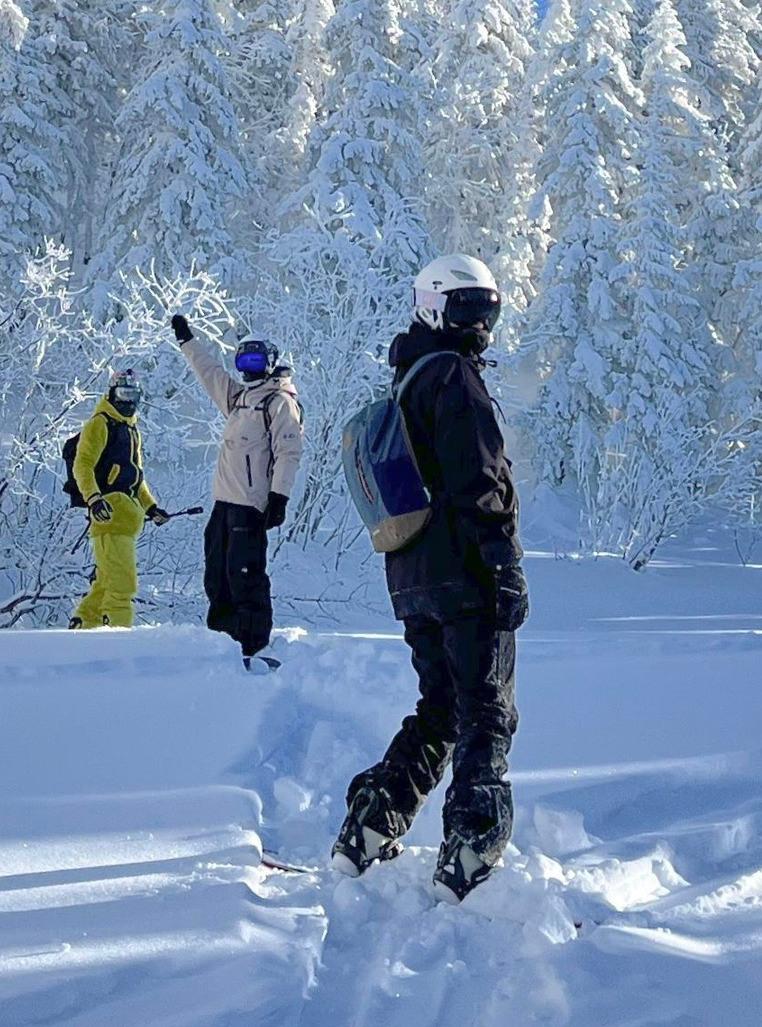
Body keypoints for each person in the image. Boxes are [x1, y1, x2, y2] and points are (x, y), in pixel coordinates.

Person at [334, 254, 527, 901]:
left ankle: (370, 823)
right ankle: (472, 843)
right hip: (466, 578)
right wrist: (504, 570)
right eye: (468, 308)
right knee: (486, 710)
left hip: (412, 578)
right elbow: (481, 486)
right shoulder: (454, 381)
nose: (481, 324)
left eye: (489, 310)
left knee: (442, 709)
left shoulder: (412, 377)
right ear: (433, 307)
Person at [170, 312, 302, 665]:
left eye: (255, 359)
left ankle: (253, 644)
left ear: (271, 361)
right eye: (243, 359)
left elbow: (289, 451)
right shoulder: (241, 398)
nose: (248, 367)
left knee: (244, 577)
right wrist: (187, 340)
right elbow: (209, 373)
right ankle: (222, 643)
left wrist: (279, 496)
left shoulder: (278, 401)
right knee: (216, 576)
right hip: (223, 504)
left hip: (251, 504)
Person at [68, 371, 166, 630]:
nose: (128, 401)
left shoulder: (131, 429)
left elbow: (136, 479)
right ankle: (118, 640)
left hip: (128, 519)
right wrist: (94, 499)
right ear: (111, 394)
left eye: (133, 395)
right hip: (108, 515)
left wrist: (151, 507)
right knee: (122, 584)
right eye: (123, 394)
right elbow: (83, 464)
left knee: (106, 581)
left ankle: (84, 625)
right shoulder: (100, 424)